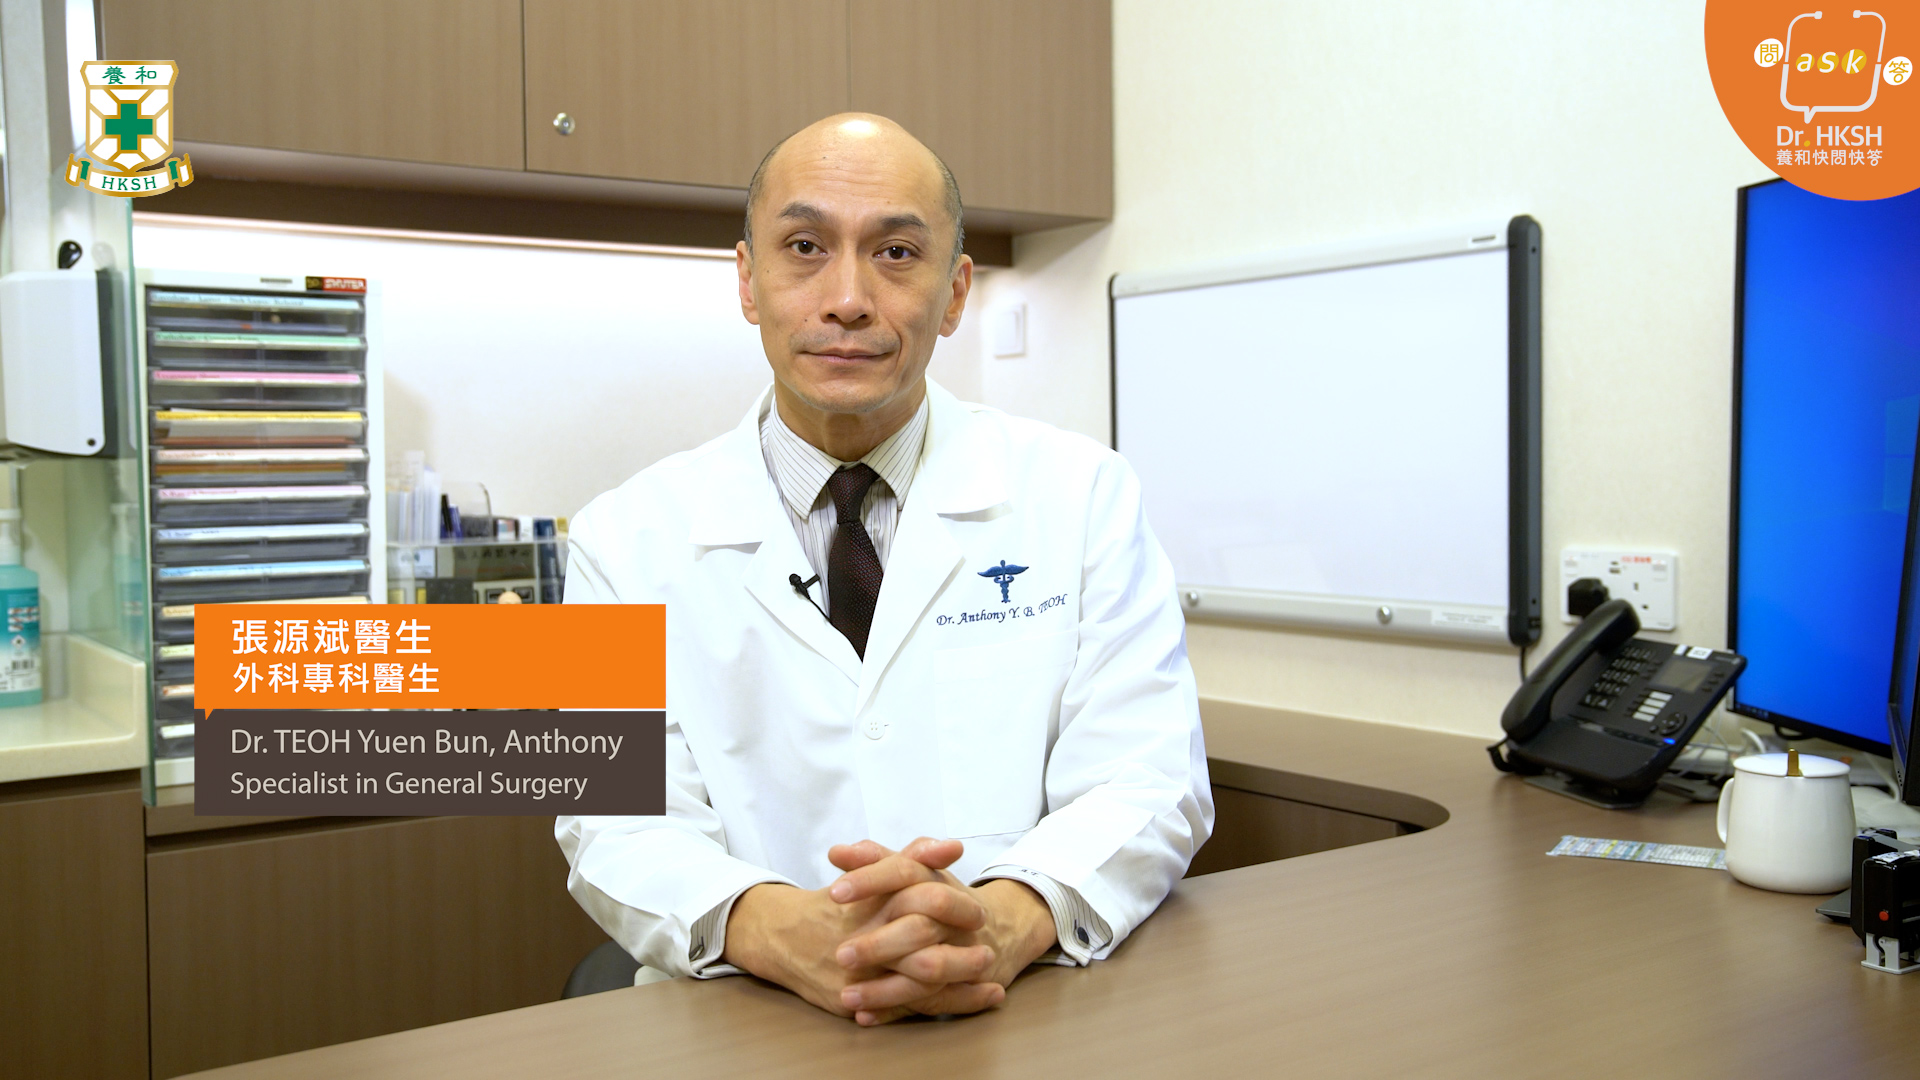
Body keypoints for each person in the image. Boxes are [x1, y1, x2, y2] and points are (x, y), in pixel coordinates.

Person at [557, 113, 1210, 1026]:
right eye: (804, 247)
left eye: (897, 253)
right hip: (742, 1021)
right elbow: (614, 822)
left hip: (1019, 1007)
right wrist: (783, 932)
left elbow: (1147, 779)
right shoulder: (619, 540)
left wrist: (1002, 922)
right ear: (747, 281)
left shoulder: (1084, 493)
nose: (848, 299)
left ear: (955, 292)